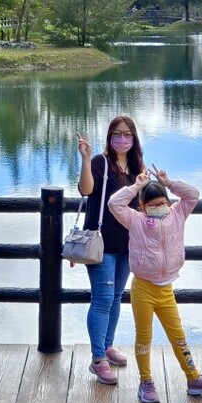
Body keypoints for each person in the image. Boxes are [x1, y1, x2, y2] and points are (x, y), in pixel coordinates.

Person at [108, 164, 202, 403]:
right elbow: (113, 204)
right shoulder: (135, 220)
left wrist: (170, 184)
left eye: (163, 202)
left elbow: (193, 194)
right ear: (142, 206)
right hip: (143, 287)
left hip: (167, 288)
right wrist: (136, 186)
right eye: (153, 205)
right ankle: (146, 382)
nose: (159, 207)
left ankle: (193, 378)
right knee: (144, 337)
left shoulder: (178, 214)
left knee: (178, 335)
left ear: (169, 202)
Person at [77, 115, 144, 385]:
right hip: (101, 243)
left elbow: (142, 205)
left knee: (116, 298)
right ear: (109, 136)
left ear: (134, 138)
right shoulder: (100, 163)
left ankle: (107, 346)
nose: (122, 139)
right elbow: (86, 190)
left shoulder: (137, 167)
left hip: (128, 244)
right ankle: (97, 360)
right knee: (102, 300)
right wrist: (84, 158)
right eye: (117, 134)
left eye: (127, 134)